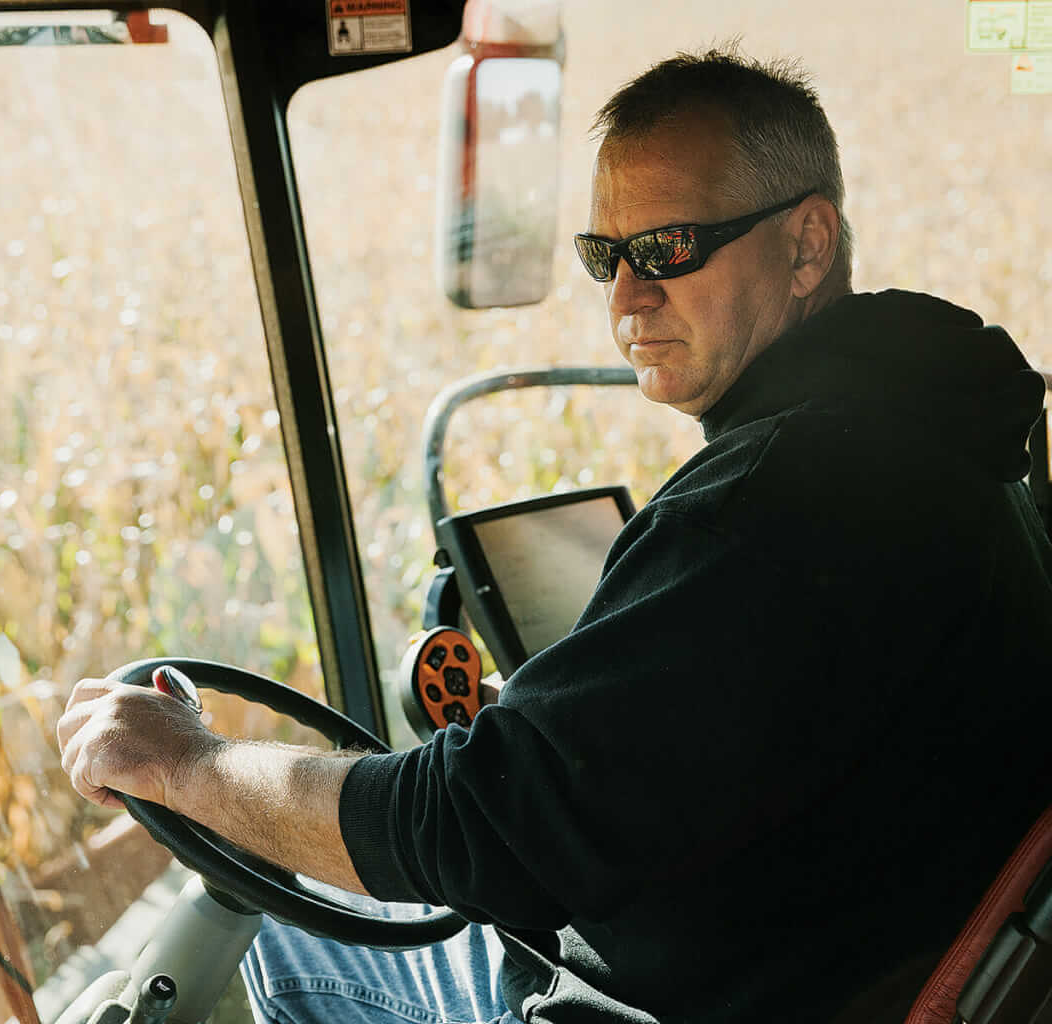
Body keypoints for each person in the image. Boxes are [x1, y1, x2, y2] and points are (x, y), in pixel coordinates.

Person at [58, 48, 1052, 1024]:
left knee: (291, 939)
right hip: (799, 944)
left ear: (803, 244)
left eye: (666, 249)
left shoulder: (779, 493)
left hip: (669, 995)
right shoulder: (938, 436)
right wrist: (560, 736)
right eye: (603, 256)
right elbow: (742, 732)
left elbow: (483, 832)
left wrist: (188, 765)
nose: (624, 298)